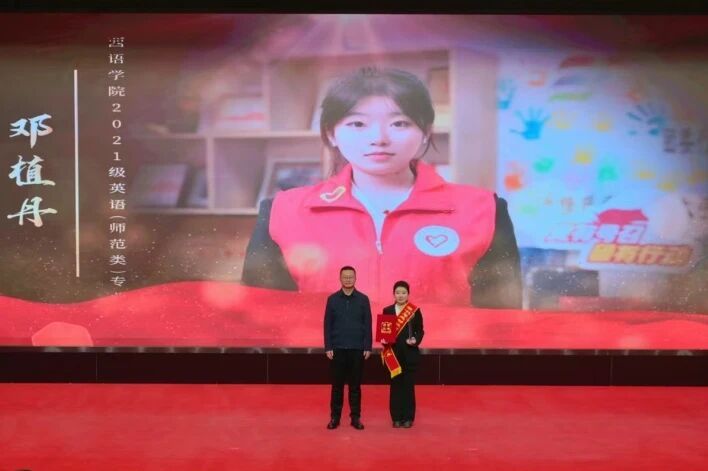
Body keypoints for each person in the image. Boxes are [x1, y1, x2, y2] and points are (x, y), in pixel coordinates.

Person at [242, 66, 522, 308]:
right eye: (357, 124)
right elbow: (259, 320)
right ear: (331, 133)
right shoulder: (283, 211)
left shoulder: (483, 210)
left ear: (425, 133)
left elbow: (502, 323)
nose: (378, 138)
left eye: (399, 123)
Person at [323, 266, 372, 430]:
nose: (348, 279)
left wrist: (367, 346)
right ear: (340, 278)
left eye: (351, 277)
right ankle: (335, 418)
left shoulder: (363, 299)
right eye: (345, 277)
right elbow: (327, 324)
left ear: (355, 278)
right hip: (337, 349)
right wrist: (328, 346)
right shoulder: (332, 299)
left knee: (355, 387)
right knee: (337, 387)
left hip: (357, 349)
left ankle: (355, 418)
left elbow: (368, 323)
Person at [380, 280, 424, 428]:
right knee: (395, 387)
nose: (400, 295)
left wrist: (415, 340)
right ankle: (396, 418)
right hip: (393, 354)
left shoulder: (414, 311)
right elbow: (385, 331)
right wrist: (384, 339)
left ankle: (408, 418)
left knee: (408, 387)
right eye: (398, 292)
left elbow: (420, 331)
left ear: (408, 294)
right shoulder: (387, 310)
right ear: (394, 294)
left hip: (409, 354)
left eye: (403, 293)